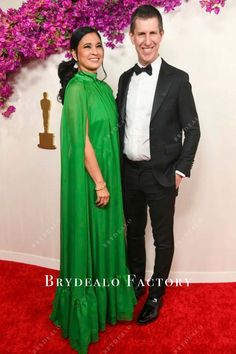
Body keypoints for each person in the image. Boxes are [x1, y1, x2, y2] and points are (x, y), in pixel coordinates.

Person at [49, 27, 136, 354]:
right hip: (90, 184)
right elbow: (82, 142)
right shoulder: (76, 89)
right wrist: (100, 182)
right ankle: (85, 312)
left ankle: (106, 306)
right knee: (90, 238)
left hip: (109, 178)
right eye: (87, 46)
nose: (95, 51)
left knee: (106, 239)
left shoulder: (101, 87)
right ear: (74, 53)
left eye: (98, 45)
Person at [116, 5, 200, 325]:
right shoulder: (124, 79)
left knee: (162, 239)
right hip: (129, 173)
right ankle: (137, 284)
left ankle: (155, 295)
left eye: (153, 33)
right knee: (133, 234)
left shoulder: (178, 80)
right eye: (141, 34)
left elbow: (192, 129)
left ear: (161, 35)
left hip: (162, 175)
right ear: (132, 37)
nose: (147, 40)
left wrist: (180, 171)